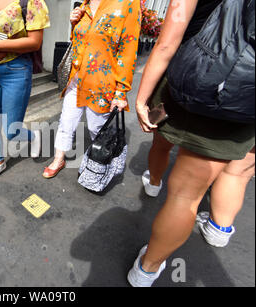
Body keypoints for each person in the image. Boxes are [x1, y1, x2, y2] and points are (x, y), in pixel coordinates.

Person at [128, 0, 255, 287]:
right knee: (238, 172)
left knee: (185, 193)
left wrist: (141, 98)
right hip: (248, 98)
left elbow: (166, 44)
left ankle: (146, 270)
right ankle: (219, 230)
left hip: (200, 85)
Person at [42, 0, 141, 178]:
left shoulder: (127, 4)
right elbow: (79, 42)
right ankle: (59, 159)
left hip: (102, 83)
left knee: (98, 129)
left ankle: (100, 165)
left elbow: (128, 51)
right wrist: (74, 25)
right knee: (66, 122)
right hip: (76, 80)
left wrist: (121, 92)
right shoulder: (84, 5)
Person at [0, 0, 50, 184]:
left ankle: (34, 136)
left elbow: (35, 42)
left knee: (11, 131)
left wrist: (0, 46)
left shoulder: (31, 2)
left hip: (16, 71)